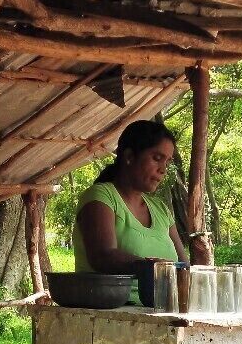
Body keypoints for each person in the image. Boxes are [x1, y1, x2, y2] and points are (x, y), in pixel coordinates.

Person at [73, 119, 189, 304]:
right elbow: (102, 256)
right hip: (111, 314)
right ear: (129, 156)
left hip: (160, 313)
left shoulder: (161, 210)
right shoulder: (101, 196)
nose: (163, 170)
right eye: (157, 158)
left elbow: (183, 267)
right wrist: (150, 267)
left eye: (167, 161)